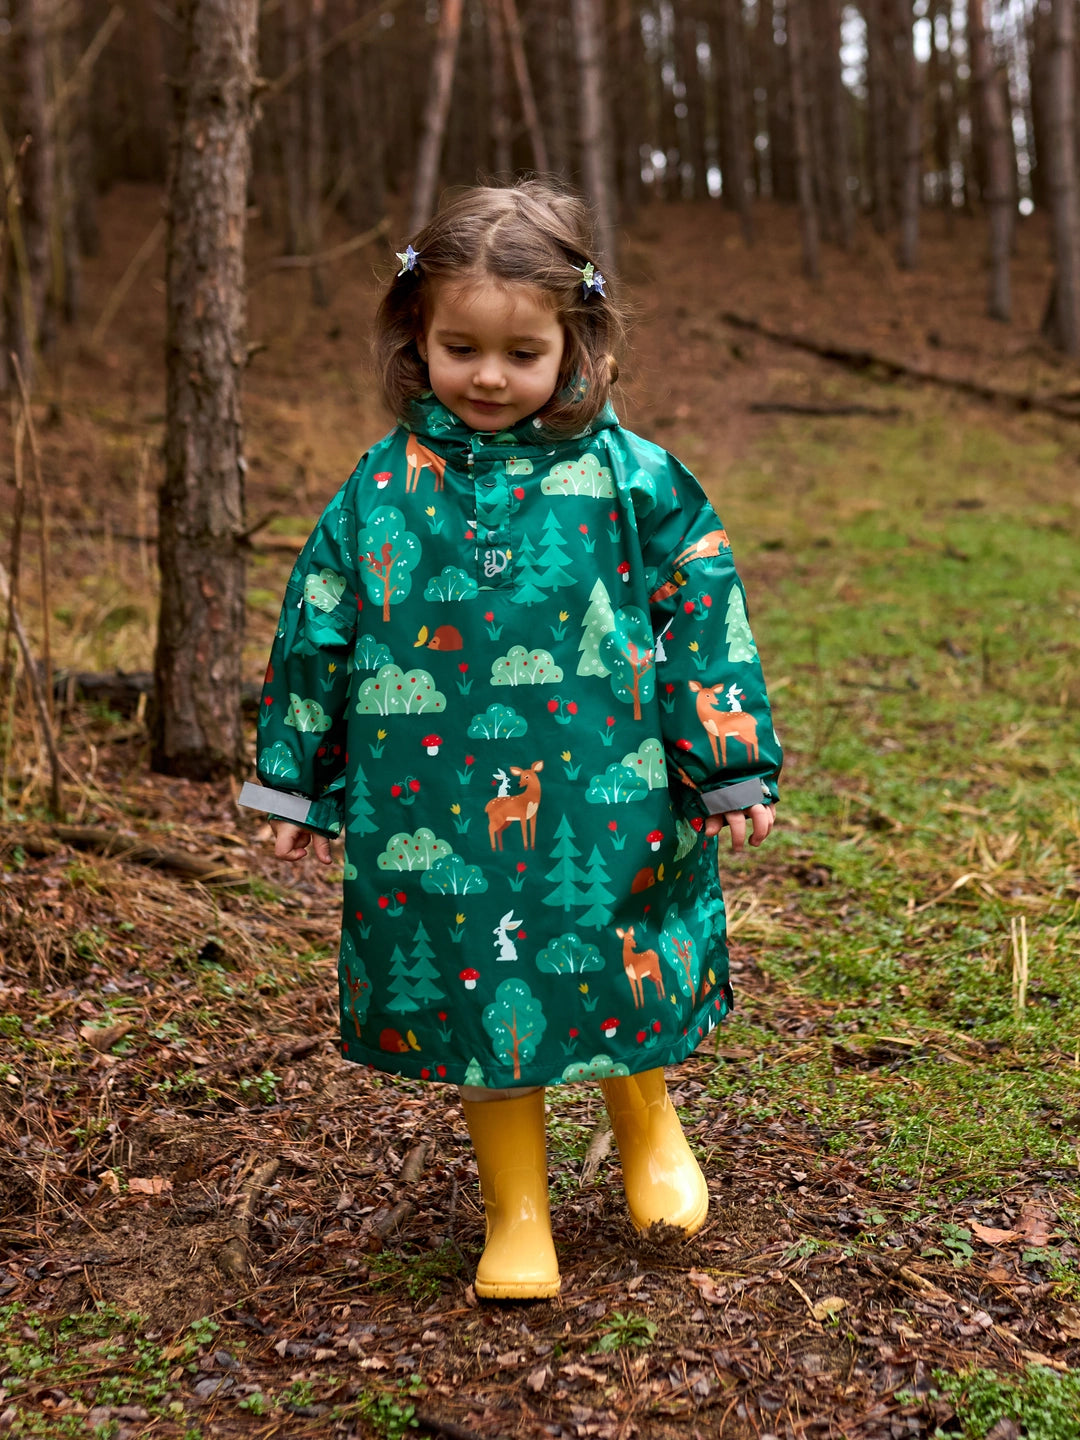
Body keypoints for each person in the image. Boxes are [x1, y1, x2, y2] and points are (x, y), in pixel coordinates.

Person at [241, 181, 781, 1301]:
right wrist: (296, 783)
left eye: (521, 351)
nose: (489, 375)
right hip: (430, 812)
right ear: (416, 338)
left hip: (610, 785)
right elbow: (317, 630)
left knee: (611, 946)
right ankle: (517, 1213)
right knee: (476, 986)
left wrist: (727, 763)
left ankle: (647, 1124)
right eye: (461, 347)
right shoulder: (383, 489)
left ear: (576, 341)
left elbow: (702, 607)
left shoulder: (631, 478)